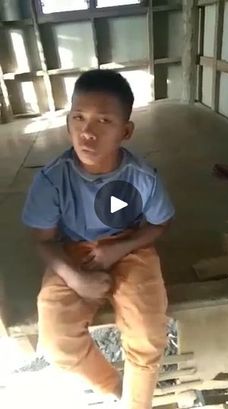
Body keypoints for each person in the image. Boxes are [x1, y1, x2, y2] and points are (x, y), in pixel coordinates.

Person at [22, 69, 175, 409]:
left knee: (148, 334)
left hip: (132, 245)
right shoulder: (51, 181)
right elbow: (42, 240)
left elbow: (160, 224)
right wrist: (76, 278)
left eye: (103, 121)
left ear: (126, 131)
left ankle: (138, 403)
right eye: (78, 118)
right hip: (73, 250)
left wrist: (119, 247)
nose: (87, 133)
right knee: (56, 341)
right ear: (68, 122)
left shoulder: (142, 178)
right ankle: (115, 389)